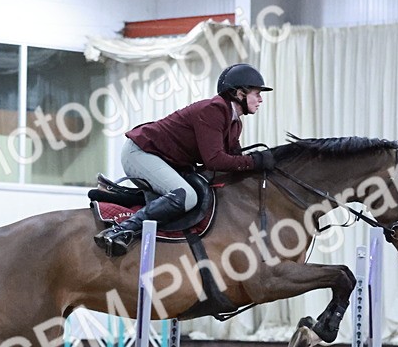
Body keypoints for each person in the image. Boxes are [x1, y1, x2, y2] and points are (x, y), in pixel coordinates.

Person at [94, 63, 276, 258]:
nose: (260, 99)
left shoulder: (234, 123)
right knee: (187, 196)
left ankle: (132, 203)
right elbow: (215, 161)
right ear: (239, 93)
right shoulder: (213, 110)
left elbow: (233, 161)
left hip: (163, 159)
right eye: (257, 94)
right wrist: (254, 161)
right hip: (140, 153)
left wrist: (256, 162)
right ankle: (121, 230)